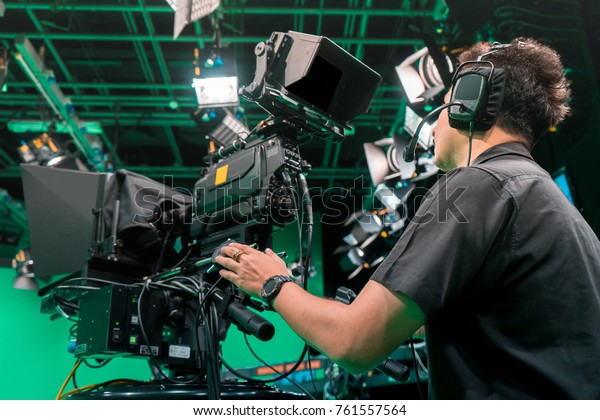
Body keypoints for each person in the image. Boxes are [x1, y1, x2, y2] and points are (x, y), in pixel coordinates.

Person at [215, 37, 600, 399]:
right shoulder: (548, 199)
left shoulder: (478, 185)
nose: (436, 125)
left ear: (470, 105)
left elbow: (353, 344)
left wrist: (272, 282)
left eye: (447, 104)